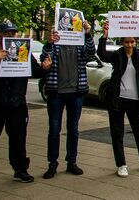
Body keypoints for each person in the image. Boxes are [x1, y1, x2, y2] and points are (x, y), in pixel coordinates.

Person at [0, 21, 52, 192]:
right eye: (7, 34)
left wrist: (44, 69)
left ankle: (20, 170)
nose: (11, 37)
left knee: (18, 139)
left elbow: (34, 71)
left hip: (17, 105)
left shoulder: (22, 50)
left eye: (13, 34)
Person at [97, 20, 139, 177]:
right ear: (122, 42)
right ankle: (121, 164)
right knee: (117, 133)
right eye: (126, 42)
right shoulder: (117, 56)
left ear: (135, 42)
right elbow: (102, 54)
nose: (129, 45)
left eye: (132, 41)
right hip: (118, 100)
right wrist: (104, 34)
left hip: (136, 100)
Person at [40, 19, 96, 179]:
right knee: (54, 129)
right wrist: (49, 42)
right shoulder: (55, 45)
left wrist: (87, 34)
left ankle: (71, 161)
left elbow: (91, 54)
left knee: (73, 129)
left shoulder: (79, 45)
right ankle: (52, 164)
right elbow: (44, 58)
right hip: (56, 92)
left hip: (76, 92)